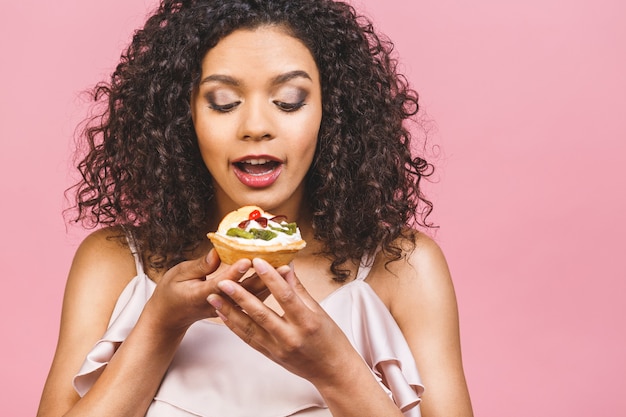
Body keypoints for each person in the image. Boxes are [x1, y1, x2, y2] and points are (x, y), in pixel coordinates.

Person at [38, 0, 473, 416]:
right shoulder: (113, 263)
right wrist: (159, 327)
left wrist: (335, 369)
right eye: (223, 102)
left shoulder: (403, 268)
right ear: (181, 116)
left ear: (332, 111)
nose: (257, 127)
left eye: (288, 100)